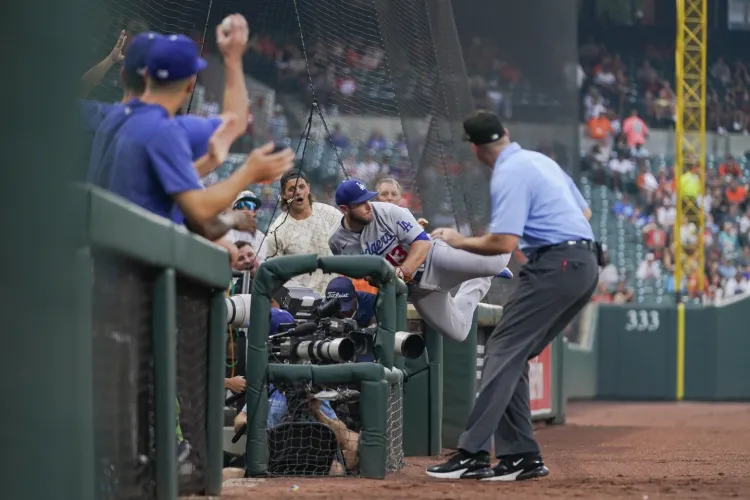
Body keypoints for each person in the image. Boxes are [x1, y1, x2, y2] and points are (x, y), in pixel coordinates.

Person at [425, 111, 598, 482]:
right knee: (513, 355)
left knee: (502, 349)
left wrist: (457, 240)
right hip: (583, 262)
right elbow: (585, 211)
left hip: (558, 264)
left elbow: (503, 242)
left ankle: (472, 454)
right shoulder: (539, 160)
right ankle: (521, 455)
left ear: (475, 149)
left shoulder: (507, 172)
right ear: (505, 133)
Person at [87, 34, 294, 258]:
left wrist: (208, 163)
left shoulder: (116, 117)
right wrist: (248, 172)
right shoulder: (166, 131)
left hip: (104, 254)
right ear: (190, 84)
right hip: (138, 268)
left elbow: (151, 178)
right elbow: (200, 211)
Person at [328, 179, 513, 343]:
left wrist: (404, 270)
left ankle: (510, 227)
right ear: (344, 209)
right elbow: (358, 272)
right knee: (459, 332)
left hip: (435, 260)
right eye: (360, 203)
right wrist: (377, 277)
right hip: (418, 289)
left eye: (368, 199)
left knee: (497, 262)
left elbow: (423, 243)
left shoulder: (388, 212)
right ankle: (481, 277)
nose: (368, 205)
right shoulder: (337, 241)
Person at [266, 170, 342, 295]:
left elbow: (350, 245)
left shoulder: (330, 214)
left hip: (335, 296)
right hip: (301, 301)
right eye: (291, 189)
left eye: (302, 187)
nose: (298, 192)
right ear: (284, 195)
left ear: (308, 188)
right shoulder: (277, 231)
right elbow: (273, 275)